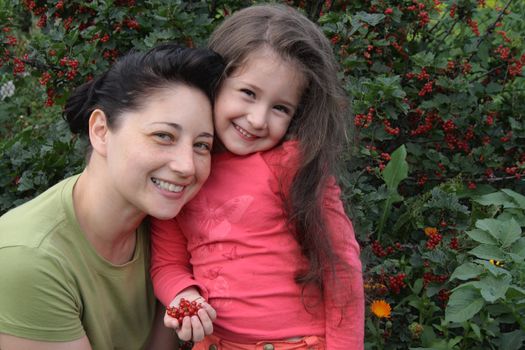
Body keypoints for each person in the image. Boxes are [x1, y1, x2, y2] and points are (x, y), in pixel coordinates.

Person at [150, 4, 364, 349]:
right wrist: (183, 295)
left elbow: (341, 271)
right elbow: (167, 264)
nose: (257, 119)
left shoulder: (292, 164)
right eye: (248, 93)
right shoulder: (182, 170)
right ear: (216, 83)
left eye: (281, 108)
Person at [0, 44, 224, 350]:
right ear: (101, 131)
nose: (186, 166)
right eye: (164, 136)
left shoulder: (165, 228)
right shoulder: (27, 258)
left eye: (202, 145)